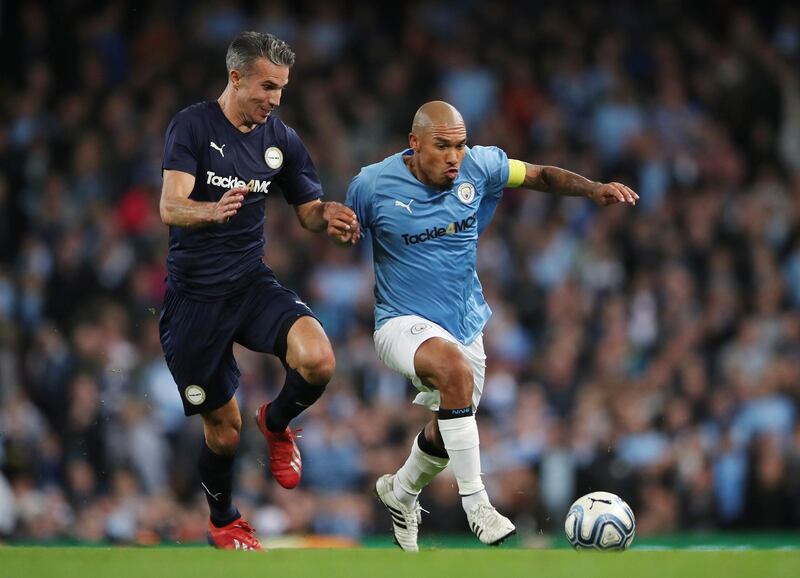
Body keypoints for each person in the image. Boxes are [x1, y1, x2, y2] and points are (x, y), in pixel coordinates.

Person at [345, 101, 637, 551]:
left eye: (459, 145)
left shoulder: (480, 165)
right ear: (414, 143)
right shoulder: (372, 184)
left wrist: (592, 188)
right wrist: (336, 226)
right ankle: (478, 504)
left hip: (465, 323)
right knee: (454, 372)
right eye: (442, 146)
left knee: (451, 425)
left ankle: (400, 492)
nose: (453, 156)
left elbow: (539, 175)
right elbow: (340, 225)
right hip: (399, 322)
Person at [159, 31, 359, 551]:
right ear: (236, 77)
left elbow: (308, 211)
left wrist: (328, 216)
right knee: (223, 430)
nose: (275, 99)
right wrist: (211, 209)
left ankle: (276, 421)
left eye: (282, 89)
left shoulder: (280, 139)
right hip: (194, 302)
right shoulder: (192, 126)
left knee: (318, 359)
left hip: (250, 283)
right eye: (267, 86)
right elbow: (170, 205)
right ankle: (224, 518)